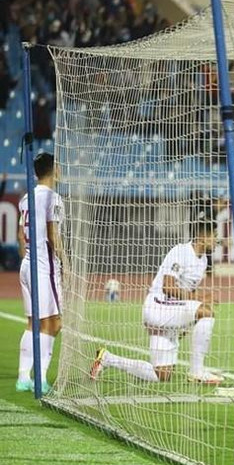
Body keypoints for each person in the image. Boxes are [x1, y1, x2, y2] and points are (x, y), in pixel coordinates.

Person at [90, 221, 223, 384]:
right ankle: (197, 372)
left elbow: (186, 294)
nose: (217, 240)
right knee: (206, 312)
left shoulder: (203, 261)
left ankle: (107, 359)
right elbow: (168, 287)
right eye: (214, 236)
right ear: (203, 236)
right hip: (158, 306)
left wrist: (188, 322)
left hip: (170, 313)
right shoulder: (181, 252)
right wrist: (199, 300)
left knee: (160, 375)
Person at [16, 153, 67, 393]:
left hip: (27, 264)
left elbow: (19, 237)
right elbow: (52, 234)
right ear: (54, 169)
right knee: (54, 323)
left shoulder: (26, 198)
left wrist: (28, 259)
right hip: (44, 267)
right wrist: (66, 263)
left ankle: (23, 377)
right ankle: (41, 378)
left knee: (32, 323)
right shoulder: (52, 198)